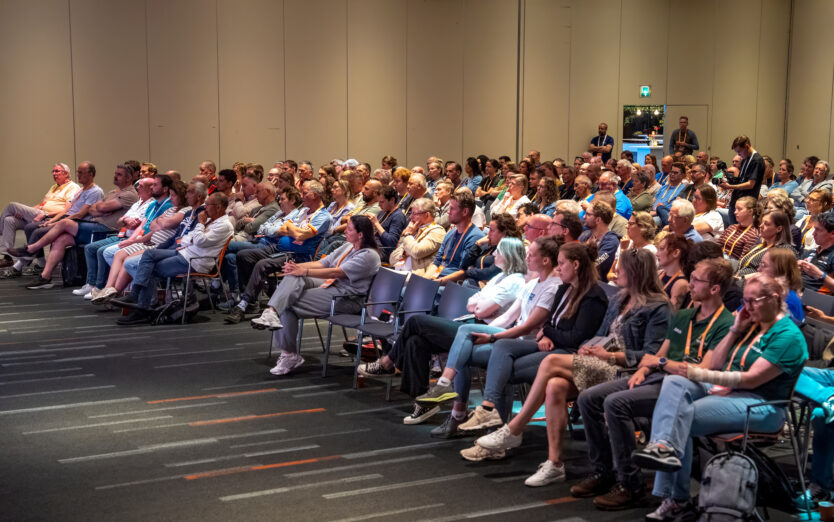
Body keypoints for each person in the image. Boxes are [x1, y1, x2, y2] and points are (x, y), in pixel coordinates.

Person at [474, 249, 671, 486]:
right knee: (555, 386)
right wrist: (589, 347)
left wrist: (611, 355)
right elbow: (601, 334)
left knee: (550, 361)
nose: (616, 270)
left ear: (637, 273)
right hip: (599, 361)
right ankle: (554, 463)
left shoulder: (658, 308)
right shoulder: (620, 299)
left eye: (622, 267)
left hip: (625, 371)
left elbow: (650, 356)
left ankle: (514, 428)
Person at [632, 273, 807, 521]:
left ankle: (675, 498)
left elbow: (751, 379)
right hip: (727, 391)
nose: (746, 308)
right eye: (744, 301)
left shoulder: (788, 336)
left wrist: (697, 373)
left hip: (761, 405)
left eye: (753, 301)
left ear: (774, 298)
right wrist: (735, 330)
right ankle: (663, 448)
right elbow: (715, 363)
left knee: (681, 417)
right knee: (674, 382)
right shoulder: (750, 324)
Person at [574, 258, 735, 510]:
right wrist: (645, 368)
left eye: (696, 280)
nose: (689, 284)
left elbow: (702, 370)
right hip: (661, 375)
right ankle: (603, 471)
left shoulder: (724, 324)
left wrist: (659, 363)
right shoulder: (684, 316)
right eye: (690, 278)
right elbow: (660, 353)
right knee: (588, 398)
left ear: (714, 289)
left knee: (616, 403)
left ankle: (630, 484)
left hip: (684, 385)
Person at [457, 242, 608, 456]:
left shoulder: (594, 296)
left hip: (567, 353)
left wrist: (549, 334)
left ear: (576, 265)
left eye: (562, 264)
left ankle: (499, 440)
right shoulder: (565, 289)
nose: (558, 268)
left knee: (504, 370)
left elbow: (575, 338)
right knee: (502, 346)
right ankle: (488, 409)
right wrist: (548, 333)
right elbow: (548, 323)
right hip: (552, 346)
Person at [357, 237, 528, 425]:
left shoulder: (515, 281)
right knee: (415, 342)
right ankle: (422, 402)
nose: (494, 254)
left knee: (416, 322)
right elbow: (473, 302)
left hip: (481, 333)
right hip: (469, 322)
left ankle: (388, 362)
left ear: (509, 255)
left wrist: (480, 305)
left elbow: (482, 309)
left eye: (499, 251)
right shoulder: (500, 276)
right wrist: (480, 304)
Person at [414, 236, 563, 438]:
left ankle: (447, 387)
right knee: (465, 347)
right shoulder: (534, 282)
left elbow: (528, 326)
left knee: (466, 335)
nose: (526, 257)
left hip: (524, 341)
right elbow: (510, 316)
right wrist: (485, 332)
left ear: (545, 260)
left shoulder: (552, 286)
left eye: (531, 254)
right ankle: (459, 415)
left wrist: (492, 337)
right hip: (512, 335)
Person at [249, 215, 381, 376]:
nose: (345, 230)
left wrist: (303, 270)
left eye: (349, 229)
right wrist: (296, 267)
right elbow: (323, 263)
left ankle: (289, 354)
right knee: (293, 277)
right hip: (332, 285)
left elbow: (337, 272)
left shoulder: (369, 255)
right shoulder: (348, 246)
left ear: (360, 234)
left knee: (287, 304)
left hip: (348, 298)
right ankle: (271, 312)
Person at [112, 191, 234, 324]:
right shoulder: (210, 221)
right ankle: (137, 296)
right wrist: (195, 235)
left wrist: (199, 224)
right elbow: (186, 239)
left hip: (195, 260)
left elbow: (199, 241)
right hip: (185, 252)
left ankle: (143, 309)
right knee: (149, 255)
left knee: (150, 269)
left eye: (208, 205)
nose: (205, 208)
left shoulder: (224, 225)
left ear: (219, 207)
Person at [14, 164, 137, 289]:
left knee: (63, 223)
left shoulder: (130, 194)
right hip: (94, 225)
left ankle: (31, 249)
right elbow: (93, 209)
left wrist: (100, 208)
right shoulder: (113, 192)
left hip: (106, 230)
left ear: (129, 178)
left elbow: (99, 207)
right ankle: (45, 277)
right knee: (61, 239)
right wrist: (100, 209)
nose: (115, 176)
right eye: (115, 173)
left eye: (119, 174)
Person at [0, 163, 80, 266]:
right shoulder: (54, 187)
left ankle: (0, 230)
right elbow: (41, 204)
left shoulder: (73, 187)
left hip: (49, 217)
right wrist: (24, 213)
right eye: (53, 171)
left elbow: (66, 210)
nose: (54, 174)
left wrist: (46, 214)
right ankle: (7, 257)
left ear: (66, 174)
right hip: (38, 214)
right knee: (9, 220)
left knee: (11, 205)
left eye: (57, 171)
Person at [421, 192, 485, 279]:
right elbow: (437, 262)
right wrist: (423, 280)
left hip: (451, 284)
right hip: (438, 277)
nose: (448, 212)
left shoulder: (475, 237)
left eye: (452, 209)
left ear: (465, 212)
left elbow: (464, 272)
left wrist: (437, 282)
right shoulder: (451, 232)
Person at [388, 198, 445, 273]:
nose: (410, 217)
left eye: (414, 213)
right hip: (399, 273)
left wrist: (408, 235)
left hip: (416, 278)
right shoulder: (414, 231)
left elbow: (417, 252)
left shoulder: (437, 231)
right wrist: (405, 252)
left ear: (427, 215)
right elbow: (392, 259)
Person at [735, 209, 796, 278]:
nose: (761, 226)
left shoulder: (784, 250)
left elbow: (772, 276)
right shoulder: (760, 246)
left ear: (779, 229)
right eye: (761, 222)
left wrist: (741, 279)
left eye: (766, 224)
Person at [721, 135, 765, 224]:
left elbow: (750, 184)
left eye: (740, 152)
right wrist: (729, 180)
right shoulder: (745, 159)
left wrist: (731, 186)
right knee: (732, 230)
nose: (739, 155)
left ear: (747, 146)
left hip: (747, 204)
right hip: (736, 200)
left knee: (740, 232)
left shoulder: (757, 160)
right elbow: (742, 179)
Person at [579, 201, 620, 280]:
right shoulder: (585, 235)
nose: (584, 217)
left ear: (598, 220)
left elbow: (595, 265)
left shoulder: (612, 243)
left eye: (588, 214)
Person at [368, 186, 407, 263]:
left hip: (384, 251)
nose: (379, 205)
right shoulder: (382, 212)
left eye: (382, 202)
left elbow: (392, 242)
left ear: (392, 200)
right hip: (374, 245)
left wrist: (376, 224)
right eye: (378, 202)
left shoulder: (398, 216)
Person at [798, 211, 834, 293]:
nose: (813, 234)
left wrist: (820, 275)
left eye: (818, 230)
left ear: (832, 233)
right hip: (797, 293)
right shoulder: (810, 252)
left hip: (816, 301)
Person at [716, 196, 761, 260]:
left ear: (750, 212)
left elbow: (742, 260)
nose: (735, 212)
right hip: (718, 258)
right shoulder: (732, 227)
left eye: (739, 209)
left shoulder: (753, 234)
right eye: (735, 209)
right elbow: (717, 245)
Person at [656, 233, 691, 311]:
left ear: (675, 253)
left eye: (661, 249)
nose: (657, 254)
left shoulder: (680, 283)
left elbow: (670, 315)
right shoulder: (659, 273)